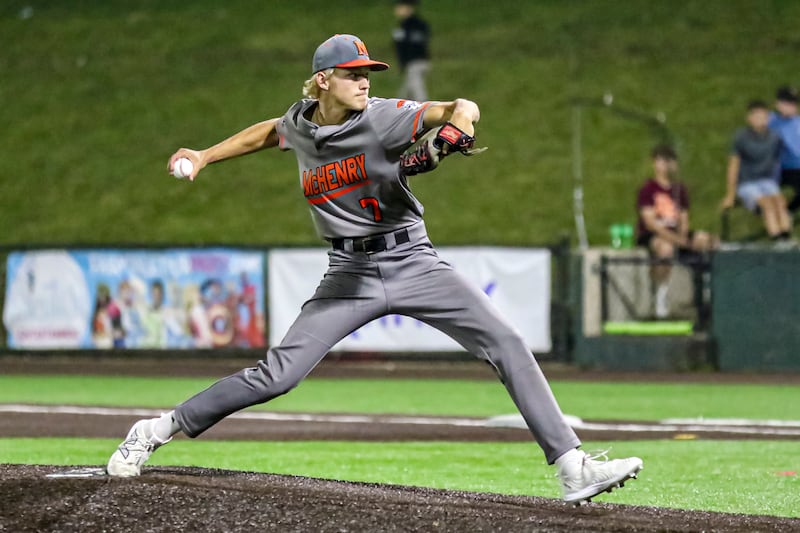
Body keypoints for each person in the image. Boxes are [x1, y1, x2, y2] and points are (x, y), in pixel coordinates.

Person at [106, 33, 642, 504]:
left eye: (368, 73)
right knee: (277, 376)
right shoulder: (301, 123)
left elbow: (463, 105)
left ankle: (574, 468)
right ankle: (156, 429)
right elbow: (268, 132)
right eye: (353, 74)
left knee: (505, 342)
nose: (364, 82)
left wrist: (456, 128)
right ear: (323, 81)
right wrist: (203, 155)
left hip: (413, 260)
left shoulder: (383, 116)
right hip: (347, 277)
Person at [636, 145, 718, 319]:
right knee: (665, 248)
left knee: (708, 240)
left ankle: (707, 289)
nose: (666, 165)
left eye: (669, 161)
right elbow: (651, 223)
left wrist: (684, 236)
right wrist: (676, 239)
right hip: (655, 235)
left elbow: (683, 218)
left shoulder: (679, 190)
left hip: (675, 233)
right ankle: (661, 294)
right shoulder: (648, 189)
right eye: (662, 160)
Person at [721, 100, 792, 242]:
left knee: (780, 202)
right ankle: (776, 237)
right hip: (747, 183)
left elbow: (787, 155)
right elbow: (733, 166)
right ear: (750, 118)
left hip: (767, 181)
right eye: (757, 116)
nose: (761, 120)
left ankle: (786, 237)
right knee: (767, 204)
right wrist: (730, 194)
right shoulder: (741, 137)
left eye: (764, 116)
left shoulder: (774, 137)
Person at [768, 85, 800, 212]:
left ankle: (788, 211)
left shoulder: (798, 122)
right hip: (778, 167)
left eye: (794, 103)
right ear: (778, 104)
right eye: (788, 103)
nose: (792, 106)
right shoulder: (770, 121)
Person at [392, 0, 430, 102]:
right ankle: (399, 111)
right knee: (406, 94)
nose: (397, 9)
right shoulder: (405, 25)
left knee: (417, 90)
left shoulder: (412, 25)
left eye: (400, 6)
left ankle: (426, 109)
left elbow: (405, 46)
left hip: (415, 62)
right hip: (415, 62)